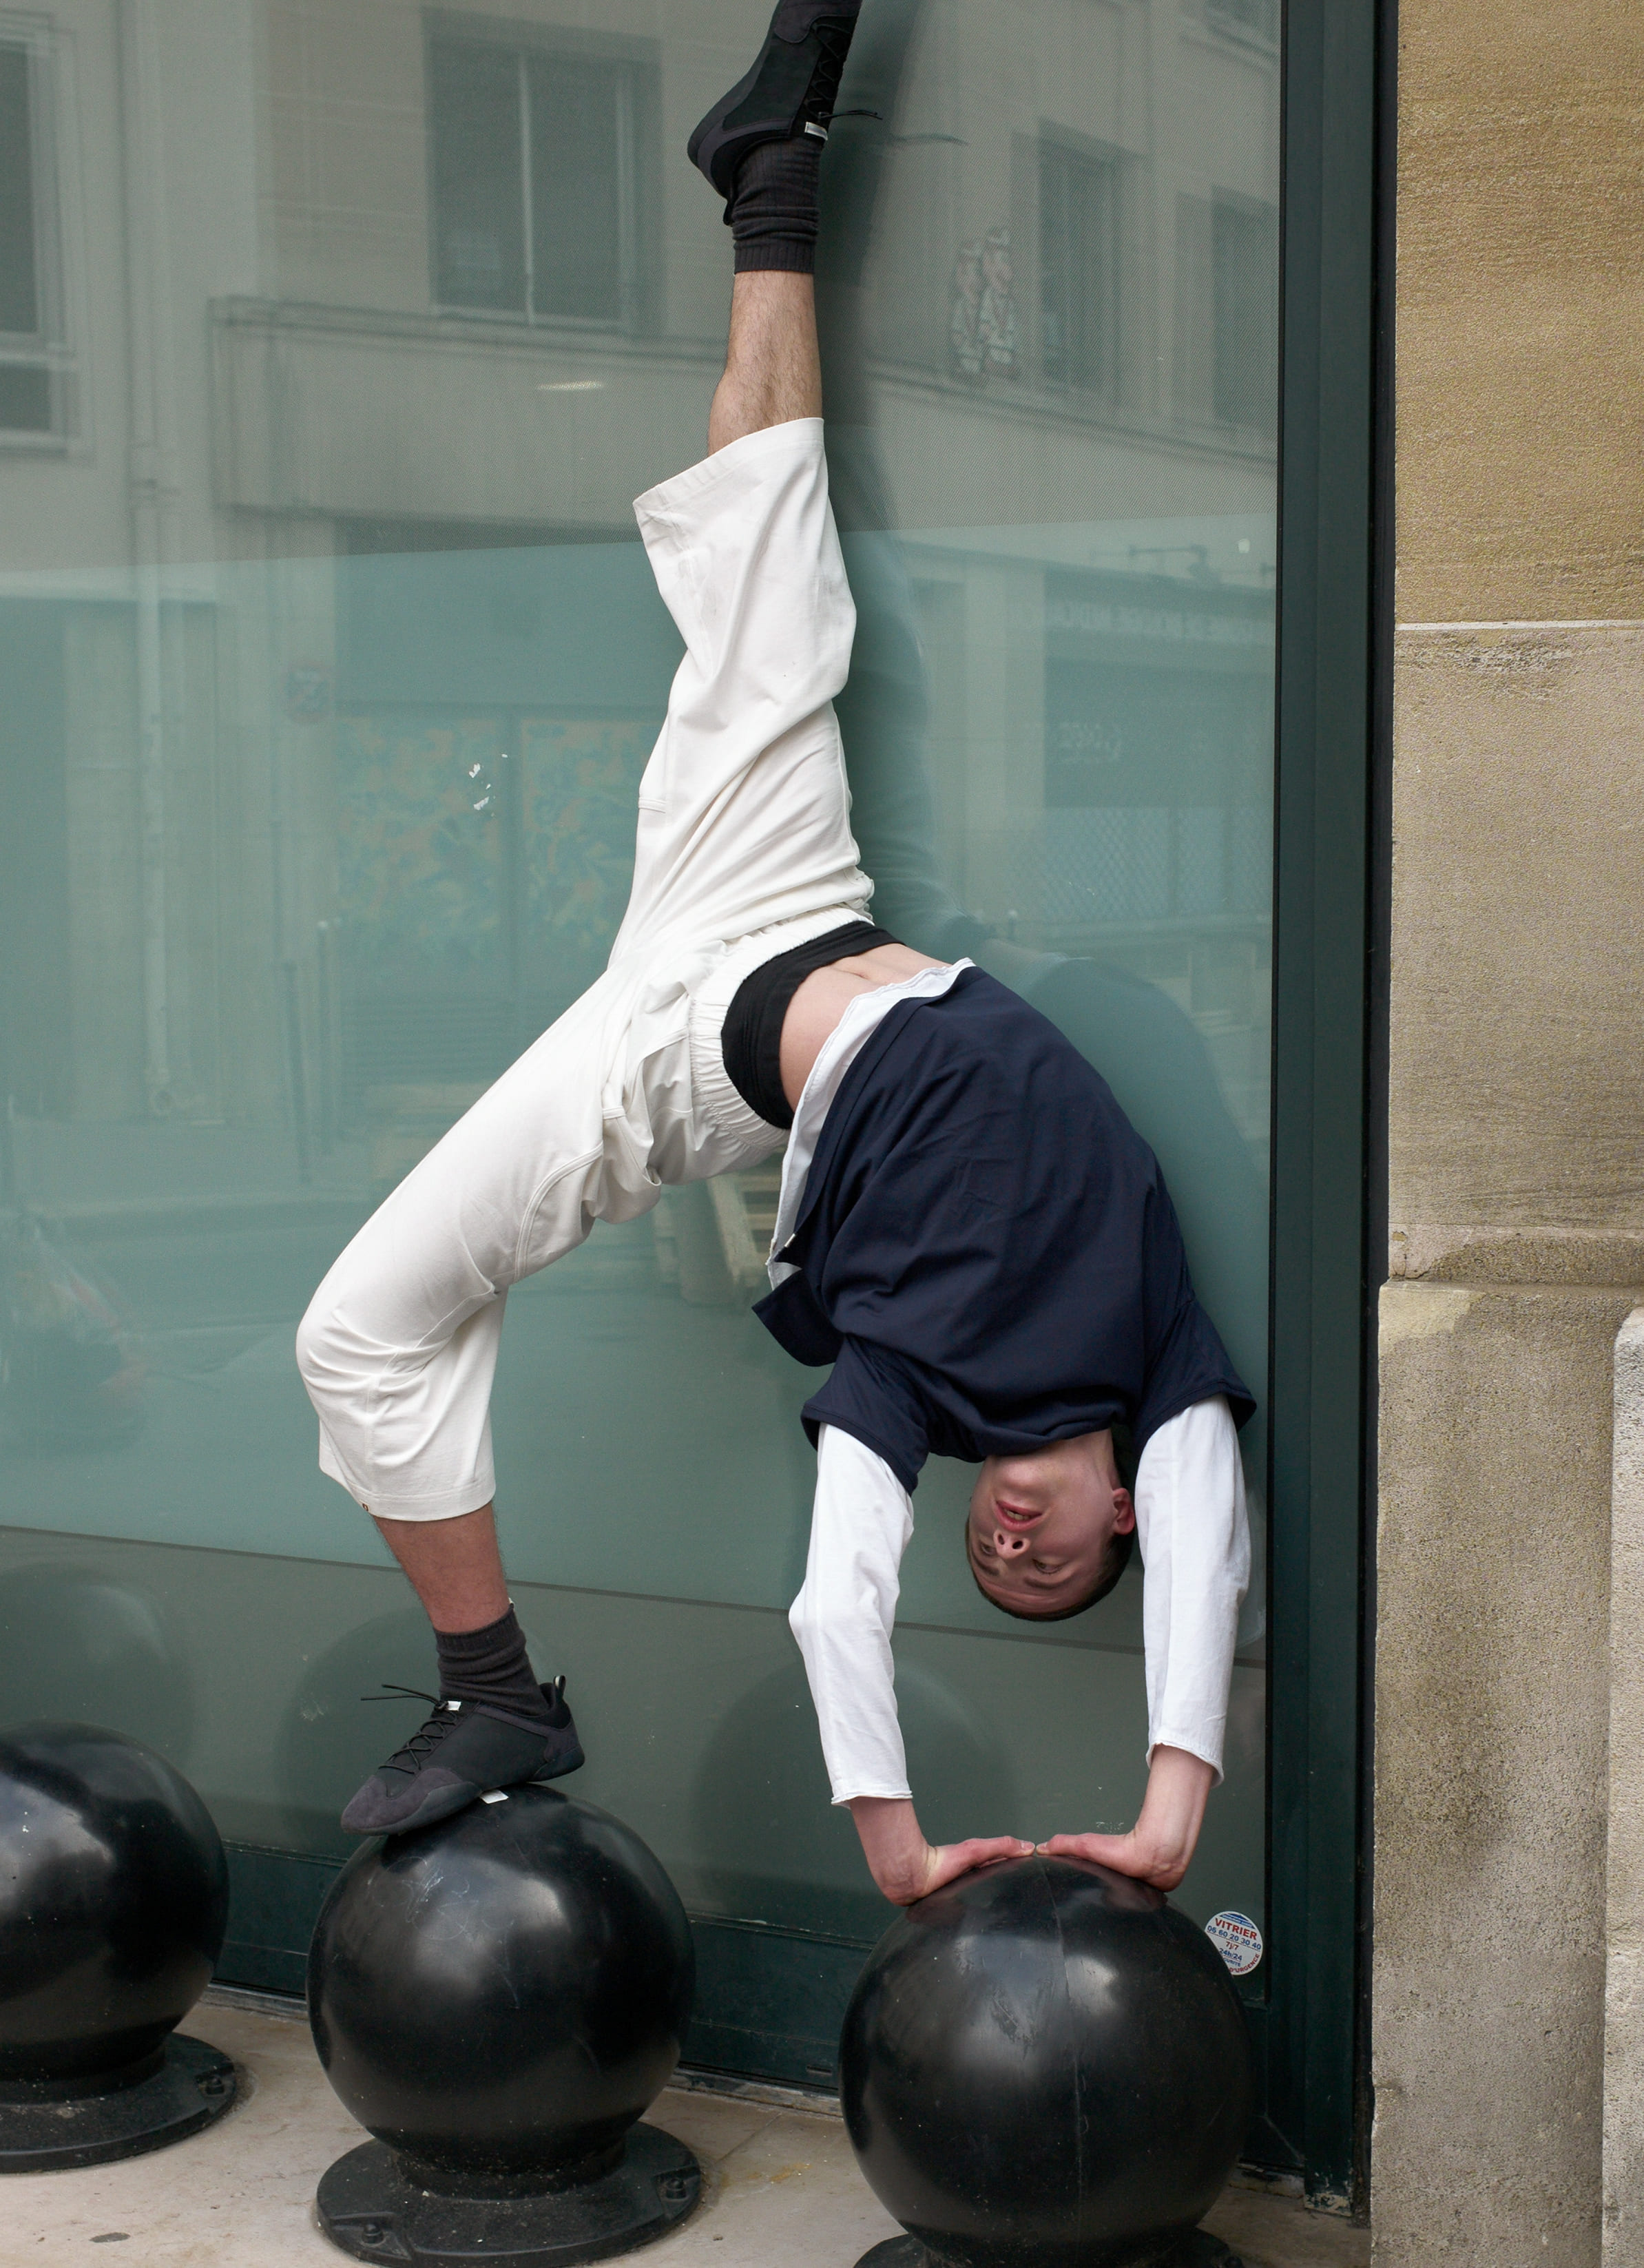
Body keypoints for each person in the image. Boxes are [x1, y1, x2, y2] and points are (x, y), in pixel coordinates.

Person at [296, 0, 1254, 1908]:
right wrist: (1168, 1809)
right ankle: (773, 182)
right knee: (763, 527)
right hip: (785, 902)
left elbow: (836, 1599)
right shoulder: (1162, 1384)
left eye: (996, 1566)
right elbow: (1205, 1572)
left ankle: (491, 1692)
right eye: (1048, 1558)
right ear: (1118, 1505)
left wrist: (892, 1847)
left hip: (681, 1069)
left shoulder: (911, 1401)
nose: (1011, 1546)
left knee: (358, 1329)